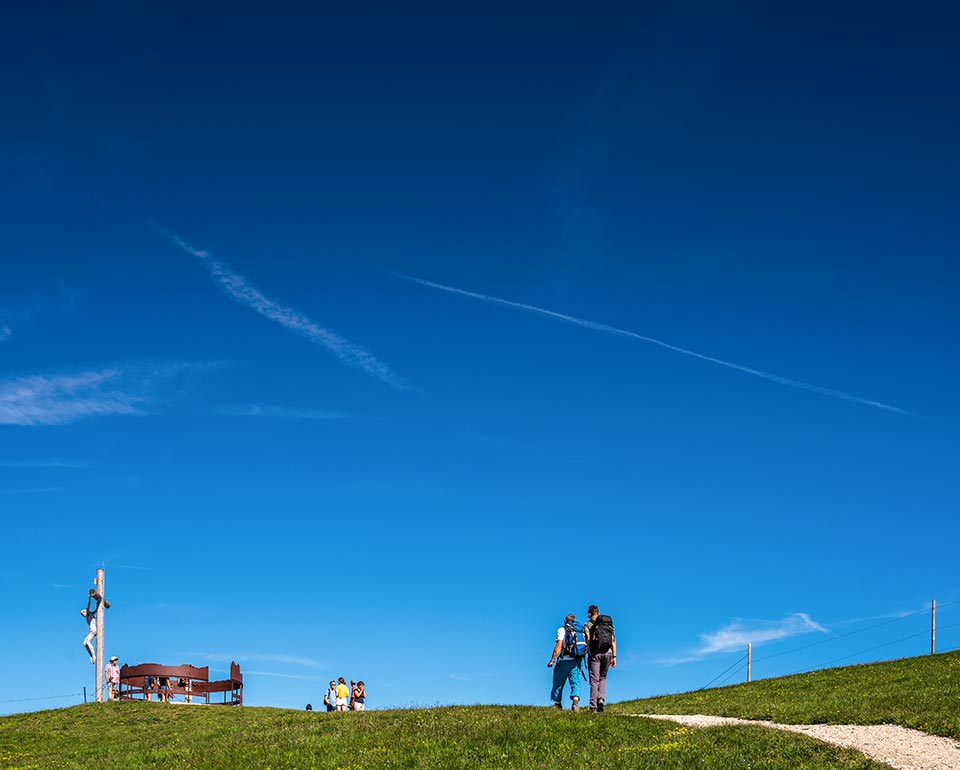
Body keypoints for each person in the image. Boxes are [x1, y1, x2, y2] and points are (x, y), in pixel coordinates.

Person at [584, 605, 617, 713]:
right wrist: (614, 657)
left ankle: (593, 706)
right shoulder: (608, 624)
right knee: (603, 677)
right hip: (608, 653)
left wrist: (588, 651)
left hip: (595, 653)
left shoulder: (588, 624)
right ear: (598, 612)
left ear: (590, 613)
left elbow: (588, 639)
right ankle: (601, 699)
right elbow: (613, 640)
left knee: (594, 680)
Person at [547, 613, 582, 711]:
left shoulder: (562, 630)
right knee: (575, 682)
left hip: (564, 660)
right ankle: (575, 703)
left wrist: (552, 660)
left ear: (565, 621)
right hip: (576, 661)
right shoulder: (580, 630)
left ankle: (558, 704)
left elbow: (559, 645)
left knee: (558, 682)